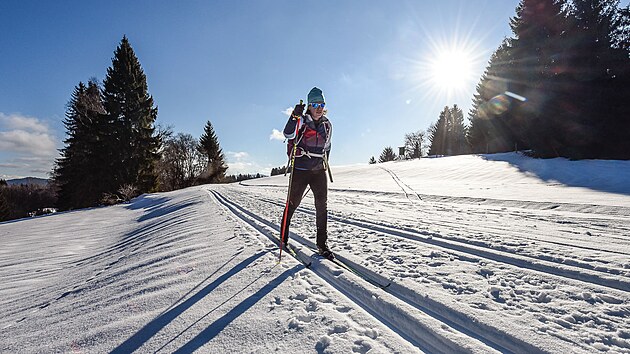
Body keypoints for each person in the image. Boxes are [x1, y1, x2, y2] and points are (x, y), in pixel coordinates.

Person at [280, 87, 333, 259]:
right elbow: (288, 134)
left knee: (321, 207)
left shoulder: (327, 125)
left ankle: (322, 244)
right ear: (309, 106)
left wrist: (325, 164)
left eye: (321, 104)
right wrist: (294, 116)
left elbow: (327, 147)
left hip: (318, 171)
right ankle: (283, 238)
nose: (319, 107)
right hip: (301, 170)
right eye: (315, 104)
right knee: (293, 204)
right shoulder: (301, 121)